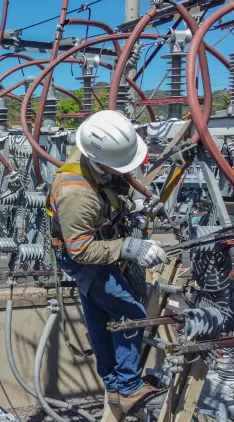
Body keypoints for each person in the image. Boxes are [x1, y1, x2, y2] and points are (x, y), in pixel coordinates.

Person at [46, 110, 168, 413]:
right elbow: (82, 251)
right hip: (86, 258)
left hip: (95, 248)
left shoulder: (92, 151)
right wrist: (128, 247)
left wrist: (132, 201)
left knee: (100, 317)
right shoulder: (76, 193)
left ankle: (113, 384)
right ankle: (128, 387)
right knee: (131, 313)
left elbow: (114, 181)